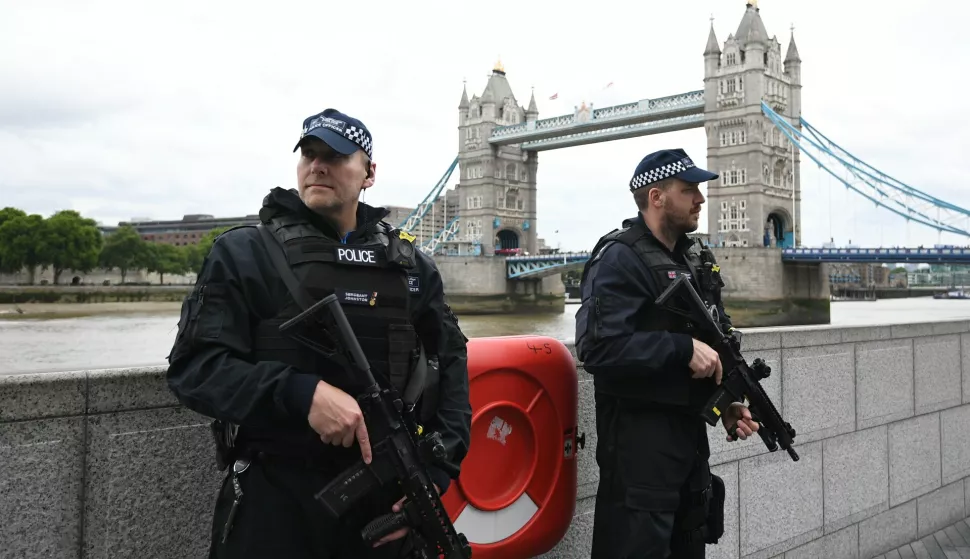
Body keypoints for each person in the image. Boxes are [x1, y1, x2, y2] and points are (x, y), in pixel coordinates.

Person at [165, 108, 472, 559]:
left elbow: (452, 368)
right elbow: (194, 371)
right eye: (309, 154)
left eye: (335, 156)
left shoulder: (410, 267)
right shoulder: (245, 253)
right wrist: (301, 394)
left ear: (369, 173)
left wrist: (436, 473)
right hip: (276, 504)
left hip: (384, 510)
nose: (317, 166)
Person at [574, 148, 760, 559]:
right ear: (656, 197)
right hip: (639, 458)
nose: (701, 198)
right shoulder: (620, 259)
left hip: (690, 451)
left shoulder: (695, 259)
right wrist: (680, 348)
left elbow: (716, 340)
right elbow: (598, 349)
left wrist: (727, 404)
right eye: (689, 188)